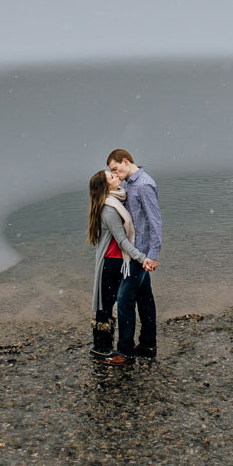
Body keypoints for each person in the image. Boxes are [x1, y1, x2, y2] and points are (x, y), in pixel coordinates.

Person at [86, 169, 145, 365]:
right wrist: (141, 257)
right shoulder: (110, 208)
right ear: (105, 186)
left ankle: (107, 346)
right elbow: (121, 240)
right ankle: (101, 348)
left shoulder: (116, 200)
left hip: (118, 261)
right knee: (106, 304)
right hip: (112, 262)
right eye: (111, 177)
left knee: (110, 302)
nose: (115, 175)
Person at [106, 148, 161, 360]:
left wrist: (153, 254)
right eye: (112, 171)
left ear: (126, 161)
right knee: (144, 298)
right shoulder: (131, 185)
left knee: (124, 298)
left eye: (115, 168)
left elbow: (155, 221)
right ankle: (148, 345)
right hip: (136, 252)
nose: (115, 174)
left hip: (141, 253)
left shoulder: (144, 184)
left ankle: (125, 351)